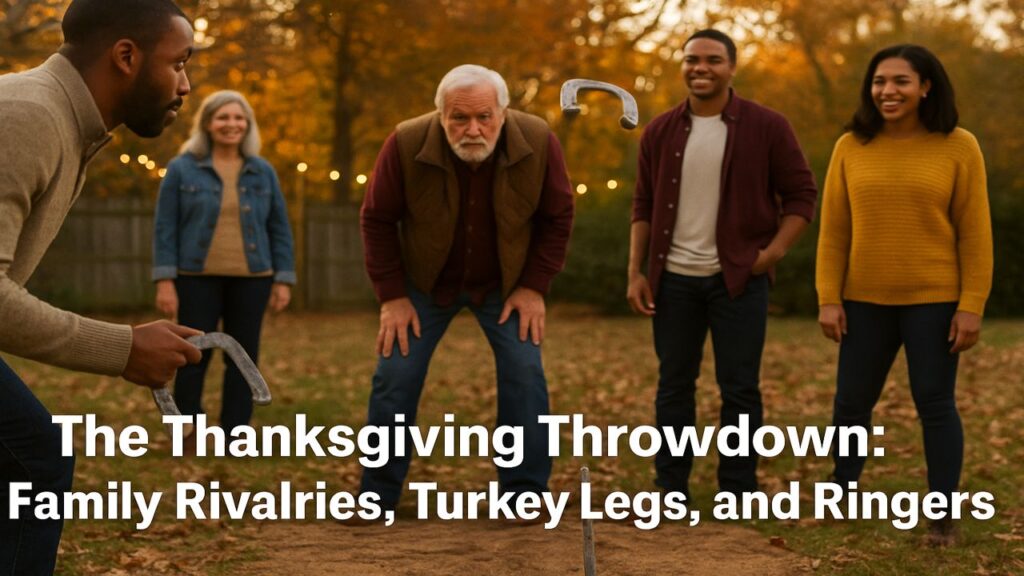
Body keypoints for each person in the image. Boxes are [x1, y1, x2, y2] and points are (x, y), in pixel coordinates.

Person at [0, 0, 201, 573]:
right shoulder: (29, 116)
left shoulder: (61, 120)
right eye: (178, 63)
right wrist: (124, 348)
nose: (185, 85)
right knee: (34, 457)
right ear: (126, 56)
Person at [358, 64, 574, 513]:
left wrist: (534, 287)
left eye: (483, 117)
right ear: (440, 115)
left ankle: (525, 494)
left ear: (503, 113)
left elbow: (558, 217)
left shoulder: (538, 140)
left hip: (506, 284)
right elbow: (377, 219)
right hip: (424, 283)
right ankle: (377, 495)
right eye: (459, 118)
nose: (472, 129)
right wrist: (392, 296)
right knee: (395, 377)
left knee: (524, 374)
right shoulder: (405, 141)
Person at [627, 29, 818, 499]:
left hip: (739, 280)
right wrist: (635, 271)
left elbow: (801, 196)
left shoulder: (767, 126)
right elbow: (643, 204)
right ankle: (670, 487)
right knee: (674, 386)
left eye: (713, 60)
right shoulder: (660, 131)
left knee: (739, 388)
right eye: (692, 59)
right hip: (674, 281)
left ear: (732, 67)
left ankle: (738, 489)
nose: (701, 68)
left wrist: (772, 254)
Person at [816, 44, 992, 547]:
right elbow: (834, 230)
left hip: (934, 300)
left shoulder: (959, 146)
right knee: (851, 404)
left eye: (900, 81)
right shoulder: (851, 146)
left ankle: (943, 515)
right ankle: (842, 490)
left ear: (926, 87)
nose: (887, 91)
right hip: (863, 300)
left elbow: (975, 234)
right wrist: (829, 296)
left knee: (935, 403)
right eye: (879, 81)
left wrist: (971, 305)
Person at [152, 90, 296, 434]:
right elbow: (165, 227)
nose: (232, 124)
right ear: (207, 123)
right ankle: (188, 430)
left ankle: (236, 431)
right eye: (223, 117)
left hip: (253, 279)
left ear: (248, 125)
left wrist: (283, 279)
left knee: (243, 358)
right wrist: (165, 280)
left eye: (239, 118)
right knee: (193, 355)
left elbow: (279, 227)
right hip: (195, 277)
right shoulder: (182, 168)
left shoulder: (263, 171)